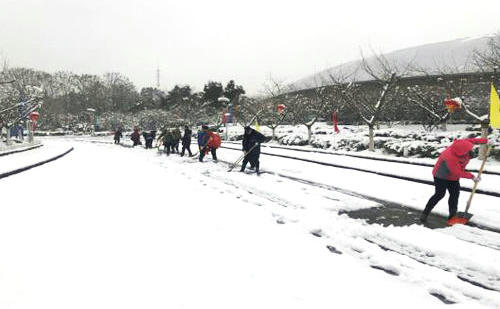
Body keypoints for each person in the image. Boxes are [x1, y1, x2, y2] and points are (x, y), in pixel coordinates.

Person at [420, 138, 488, 223]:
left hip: (453, 177)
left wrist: (486, 141)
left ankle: (452, 216)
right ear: (461, 153)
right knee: (440, 194)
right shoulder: (450, 157)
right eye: (468, 151)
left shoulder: (464, 143)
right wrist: (472, 177)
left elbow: (474, 140)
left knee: (455, 194)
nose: (470, 150)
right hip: (441, 176)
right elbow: (457, 171)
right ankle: (425, 213)